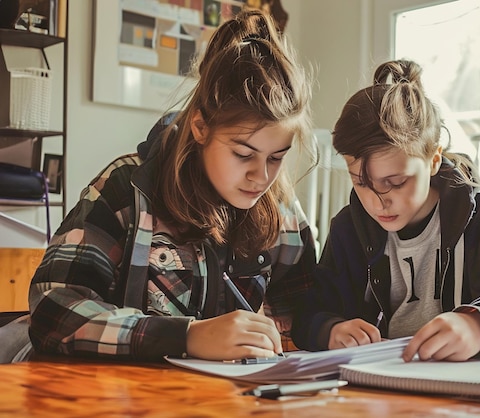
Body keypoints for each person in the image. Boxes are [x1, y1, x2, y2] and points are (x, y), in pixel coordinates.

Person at [27, 9, 317, 362]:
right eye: (243, 154)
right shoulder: (127, 189)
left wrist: (329, 326)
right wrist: (186, 336)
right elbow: (53, 308)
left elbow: (305, 316)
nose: (262, 177)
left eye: (276, 158)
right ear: (200, 128)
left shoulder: (283, 215)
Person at [291, 59, 480, 362]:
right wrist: (331, 330)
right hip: (381, 391)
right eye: (361, 182)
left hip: (469, 397)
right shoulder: (349, 229)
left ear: (434, 159)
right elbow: (309, 314)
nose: (377, 202)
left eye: (395, 182)